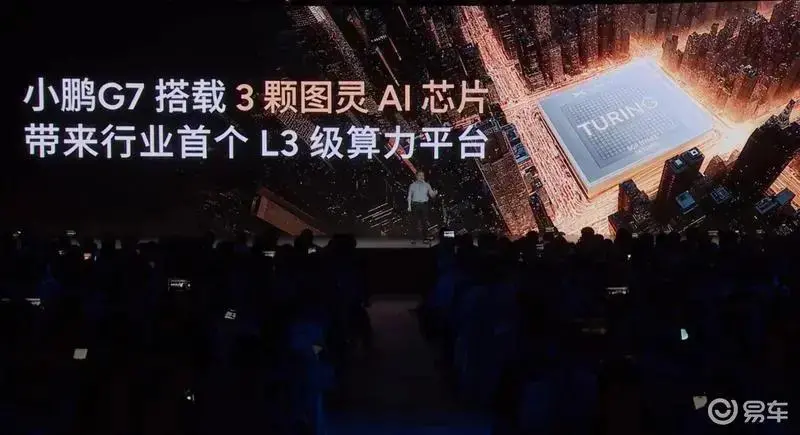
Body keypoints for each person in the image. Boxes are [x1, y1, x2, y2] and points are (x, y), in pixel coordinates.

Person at [407, 170, 438, 241]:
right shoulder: (412, 185)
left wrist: (434, 193)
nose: (421, 177)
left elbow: (431, 195)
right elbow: (409, 196)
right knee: (414, 222)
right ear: (416, 176)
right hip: (415, 205)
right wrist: (409, 206)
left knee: (424, 222)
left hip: (424, 205)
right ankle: (413, 238)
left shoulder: (427, 185)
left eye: (422, 175)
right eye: (420, 175)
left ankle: (425, 238)